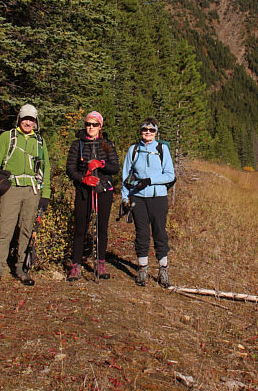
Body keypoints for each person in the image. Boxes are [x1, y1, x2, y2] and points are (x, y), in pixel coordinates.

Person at [0, 104, 50, 286]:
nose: (28, 122)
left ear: (36, 122)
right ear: (19, 119)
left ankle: (22, 268)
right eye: (25, 118)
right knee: (4, 229)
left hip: (32, 190)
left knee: (26, 229)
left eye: (31, 119)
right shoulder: (8, 137)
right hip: (11, 189)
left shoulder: (40, 141)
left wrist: (46, 194)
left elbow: (46, 169)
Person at [64, 111, 120, 281]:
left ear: (100, 126)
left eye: (95, 124)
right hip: (84, 191)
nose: (91, 127)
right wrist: (83, 179)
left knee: (102, 228)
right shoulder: (77, 145)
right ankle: (75, 266)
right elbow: (70, 169)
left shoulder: (107, 145)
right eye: (88, 124)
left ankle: (101, 263)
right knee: (81, 227)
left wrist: (101, 164)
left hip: (104, 190)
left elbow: (115, 167)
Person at [121, 118, 176, 288]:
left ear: (156, 132)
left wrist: (150, 180)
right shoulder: (134, 150)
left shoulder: (162, 149)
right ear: (141, 131)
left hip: (158, 197)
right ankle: (142, 269)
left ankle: (163, 269)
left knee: (160, 232)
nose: (148, 133)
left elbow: (170, 175)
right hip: (138, 197)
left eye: (151, 130)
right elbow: (126, 176)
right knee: (142, 234)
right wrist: (125, 198)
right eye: (145, 129)